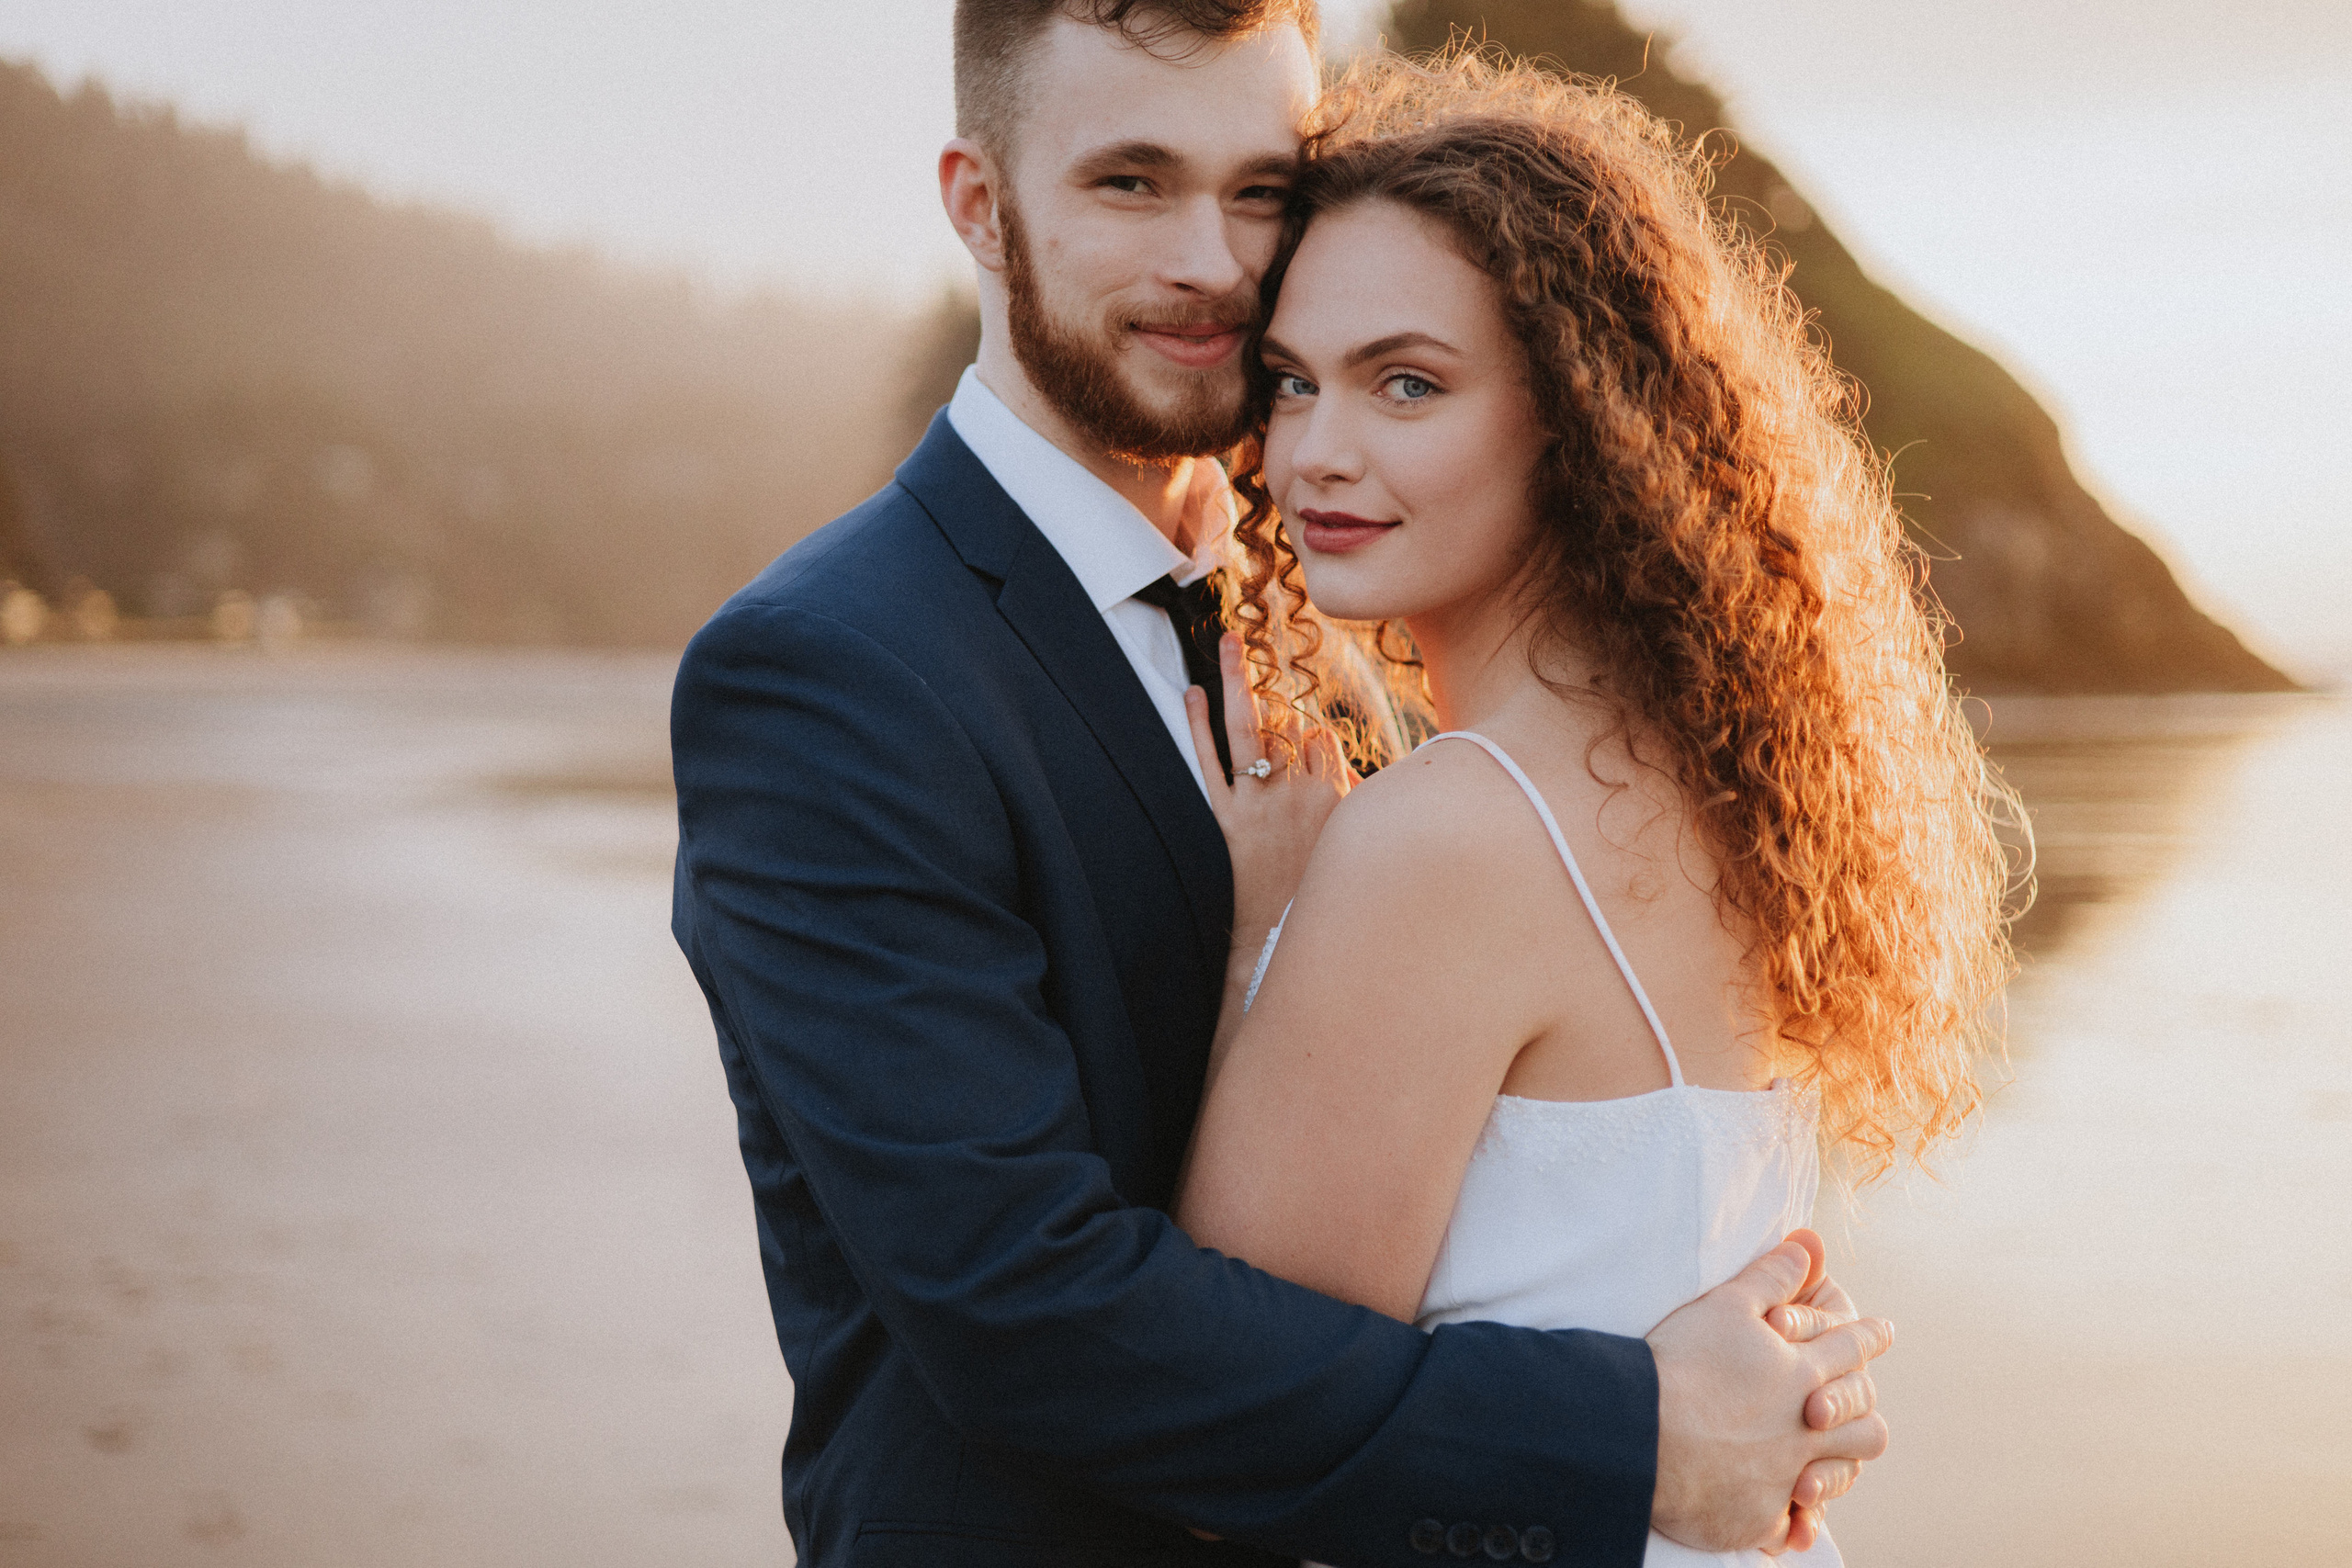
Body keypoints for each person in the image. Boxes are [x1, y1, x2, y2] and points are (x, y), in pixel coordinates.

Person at [670, 6, 1892, 1564]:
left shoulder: (1352, 631)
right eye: (1131, 182)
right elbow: (1018, 1310)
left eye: (1260, 190)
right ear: (980, 205)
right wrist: (1636, 1433)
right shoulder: (830, 673)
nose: (1214, 262)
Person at [1172, 49, 2021, 1567]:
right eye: (1293, 382)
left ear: (1577, 418)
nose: (1315, 452)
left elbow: (1230, 1410)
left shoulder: (1449, 835)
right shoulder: (1728, 782)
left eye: (1408, 382)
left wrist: (1252, 943)